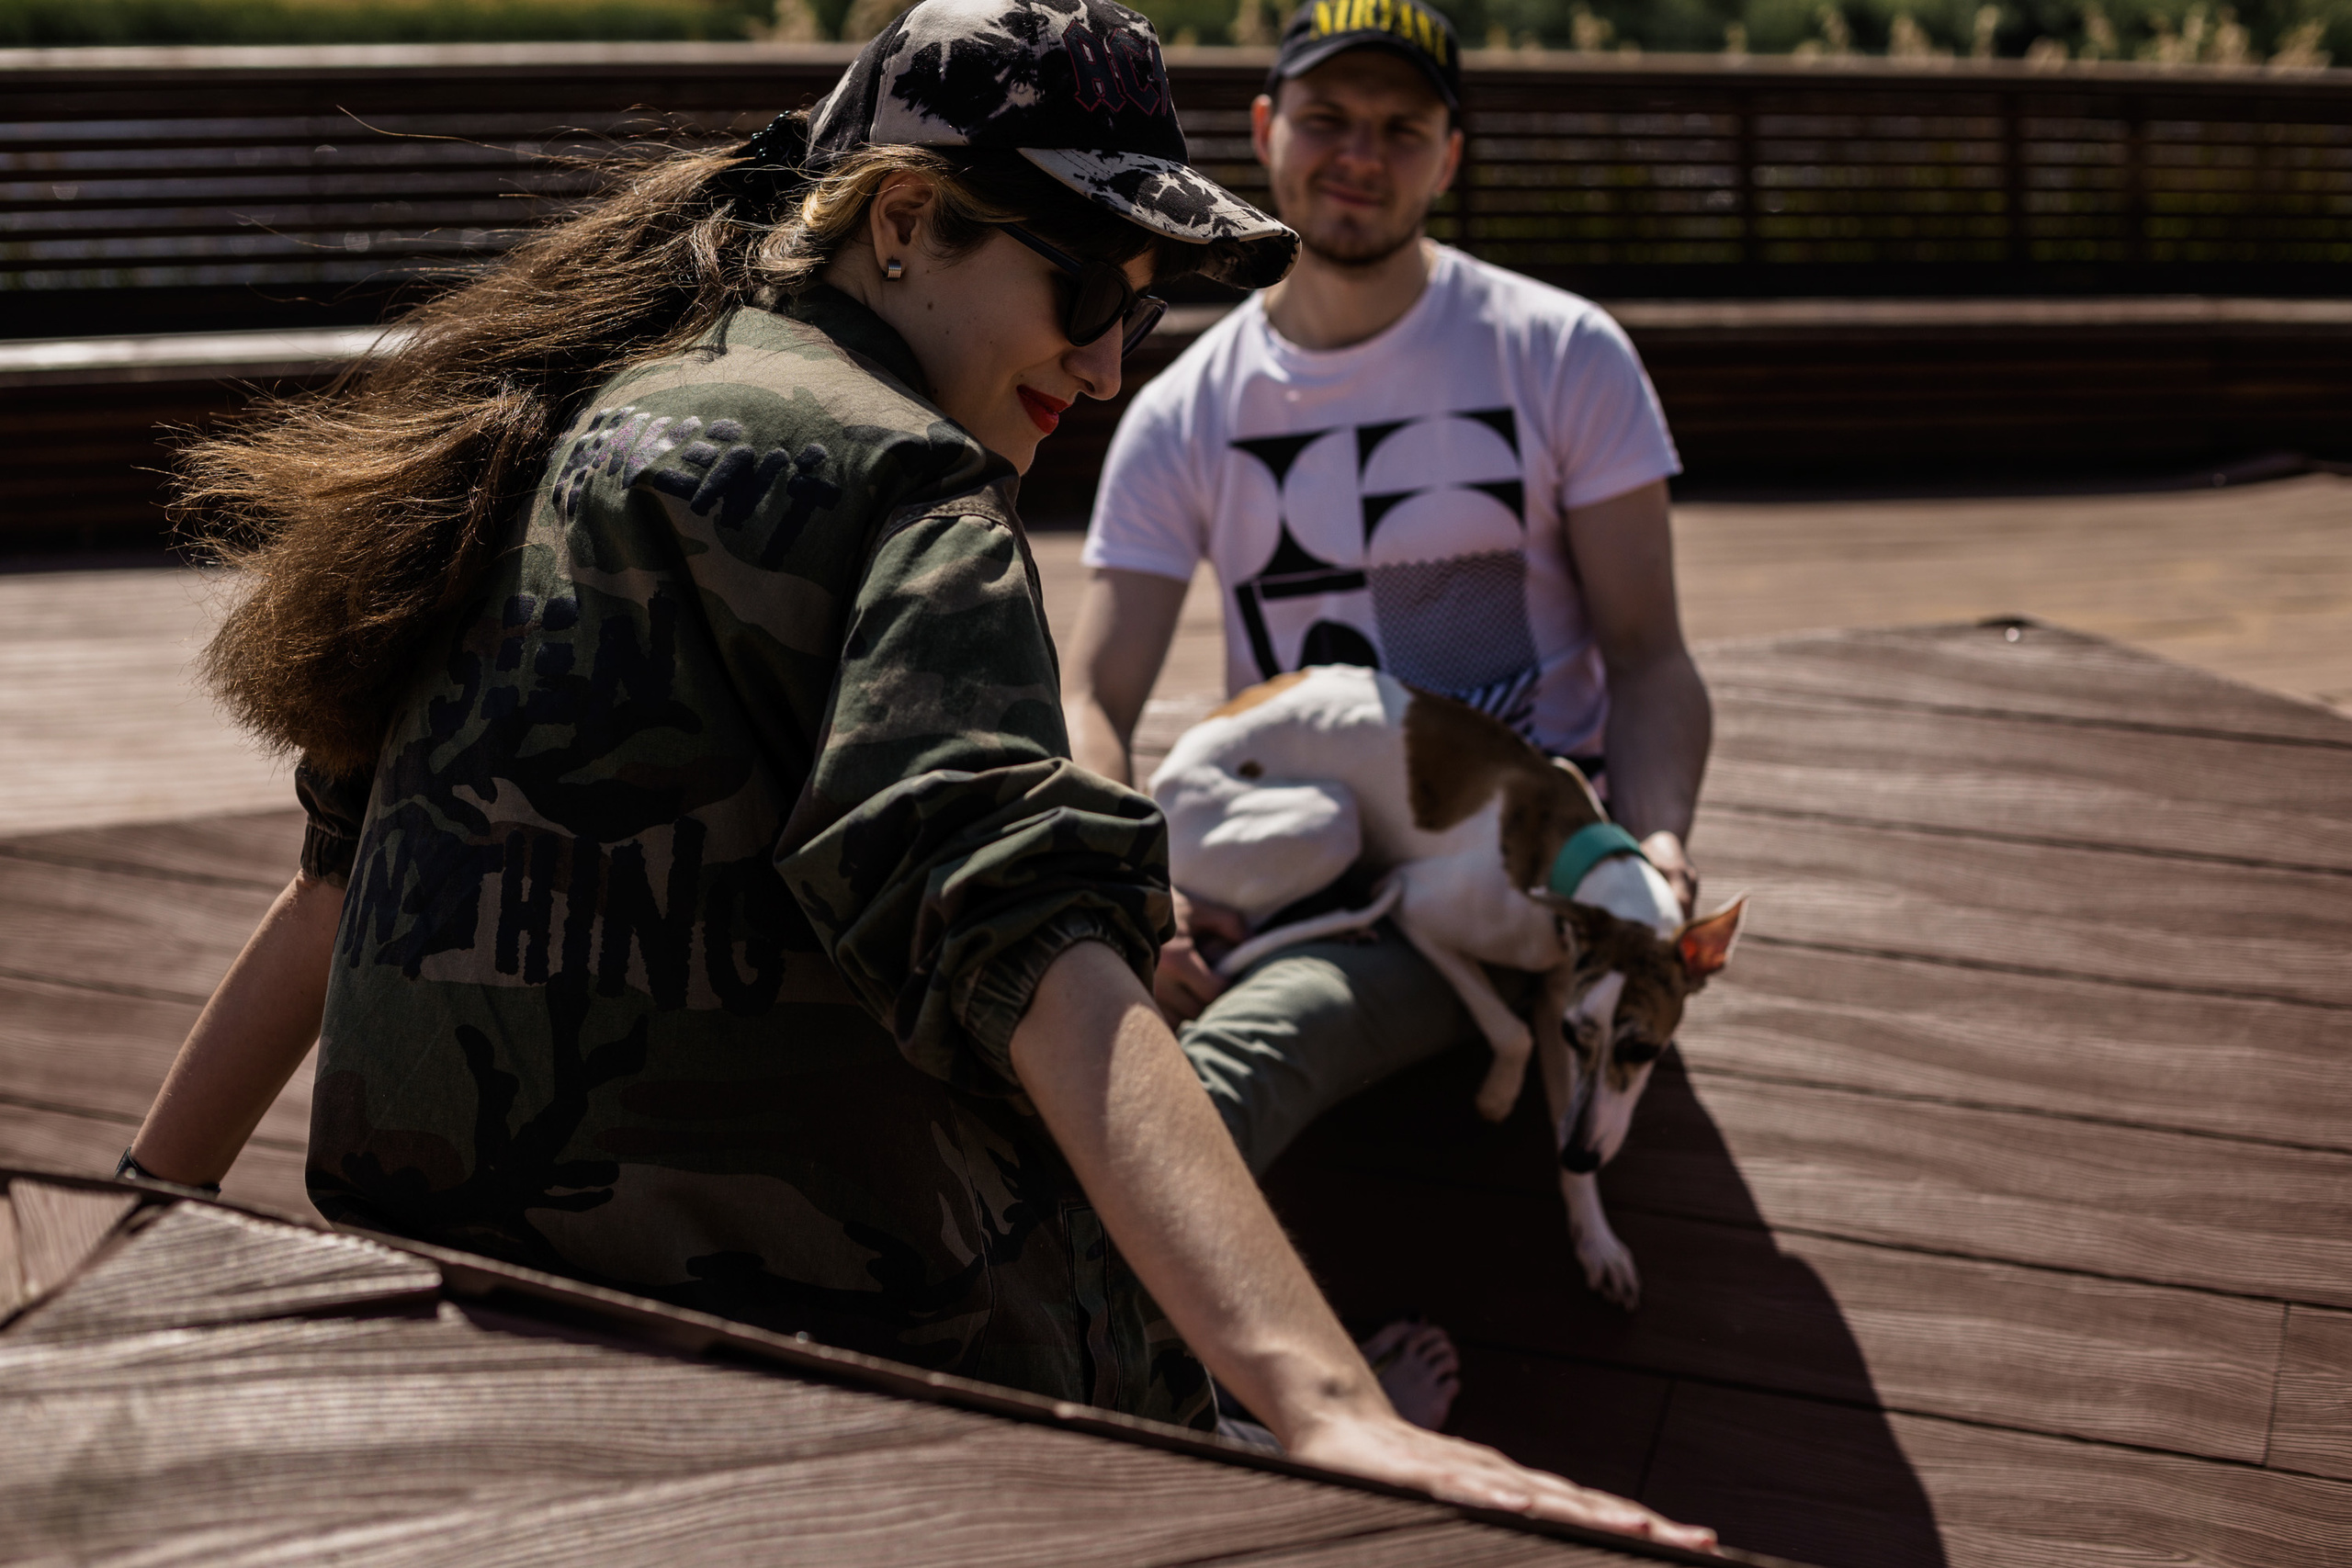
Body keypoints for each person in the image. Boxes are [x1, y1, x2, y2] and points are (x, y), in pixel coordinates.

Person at [119, 0, 1713, 1551]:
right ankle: (1228, 1434)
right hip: (828, 1341)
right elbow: (1015, 930)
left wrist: (145, 1204)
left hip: (464, 1278)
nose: (1101, 366)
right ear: (902, 222)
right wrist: (1324, 1406)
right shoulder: (908, 482)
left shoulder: (547, 423)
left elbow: (345, 869)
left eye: (1139, 314)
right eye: (1082, 287)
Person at [1064, 0, 1713, 1350]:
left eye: (1400, 128)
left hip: (1522, 868)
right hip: (1294, 844)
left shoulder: (1559, 352)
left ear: (1449, 155)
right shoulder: (1189, 407)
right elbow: (1093, 703)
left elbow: (1652, 662)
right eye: (1328, 119)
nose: (1359, 155)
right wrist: (1139, 893)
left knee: (1249, 1052)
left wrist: (1651, 852)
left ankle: (1131, 1356)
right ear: (1264, 132)